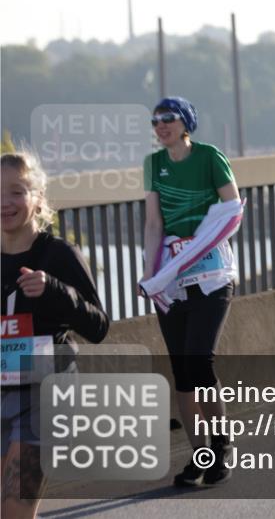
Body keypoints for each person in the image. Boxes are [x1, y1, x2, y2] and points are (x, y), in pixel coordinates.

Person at [140, 97, 242, 487]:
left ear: (186, 124)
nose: (161, 125)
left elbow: (232, 208)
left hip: (212, 274)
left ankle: (220, 446)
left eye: (169, 118)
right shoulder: (153, 165)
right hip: (172, 279)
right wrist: (150, 276)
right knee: (182, 371)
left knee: (200, 361)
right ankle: (197, 457)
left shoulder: (209, 157)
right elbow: (153, 224)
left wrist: (198, 243)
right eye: (155, 120)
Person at [1, 151, 109, 519]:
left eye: (16, 191)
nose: (5, 202)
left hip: (46, 392)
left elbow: (98, 327)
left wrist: (55, 290)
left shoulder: (58, 254)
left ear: (38, 198)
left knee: (14, 508)